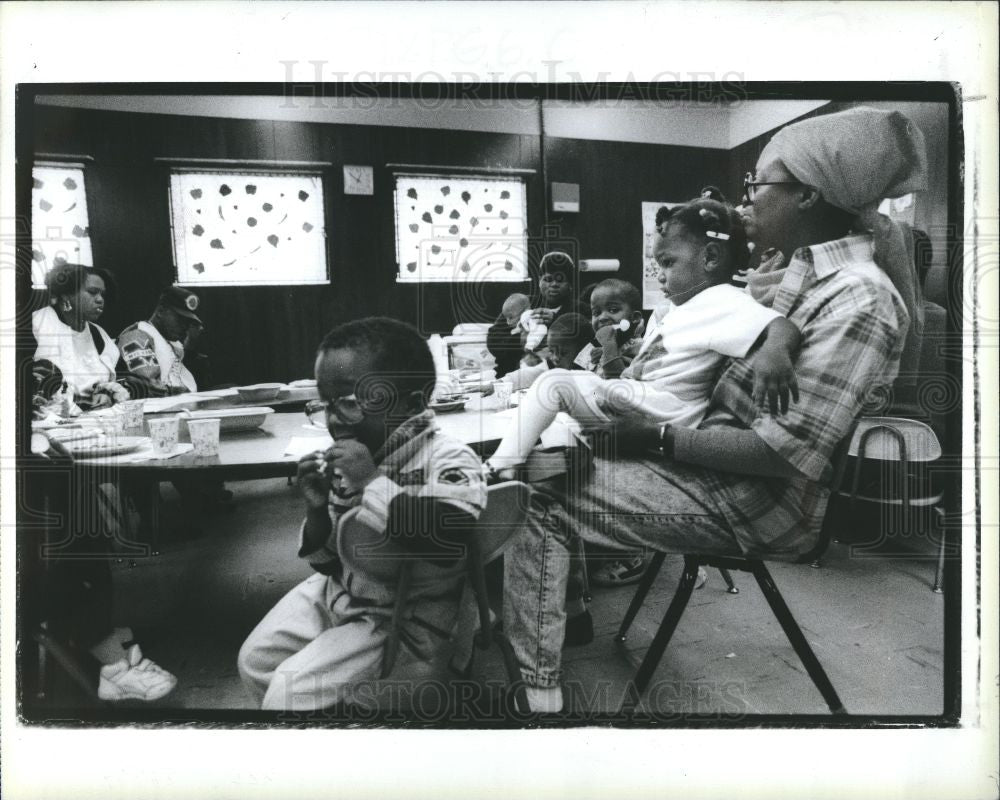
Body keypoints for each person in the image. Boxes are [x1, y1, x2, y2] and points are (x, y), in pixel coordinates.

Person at [504, 106, 925, 713]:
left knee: (532, 500)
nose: (746, 203)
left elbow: (780, 457)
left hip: (755, 501)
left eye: (758, 186)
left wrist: (647, 439)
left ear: (807, 196)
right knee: (554, 453)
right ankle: (567, 616)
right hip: (710, 463)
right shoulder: (798, 272)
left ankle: (535, 697)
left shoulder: (859, 299)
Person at [237, 317, 487, 711]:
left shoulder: (449, 458)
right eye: (325, 403)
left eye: (351, 403)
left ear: (413, 404)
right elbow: (327, 563)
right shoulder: (355, 458)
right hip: (341, 592)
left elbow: (446, 540)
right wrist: (317, 511)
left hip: (403, 615)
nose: (334, 419)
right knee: (255, 663)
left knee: (288, 693)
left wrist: (371, 482)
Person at [486, 193, 800, 478]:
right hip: (644, 399)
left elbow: (781, 324)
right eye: (656, 263)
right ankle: (548, 465)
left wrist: (775, 353)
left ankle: (498, 466)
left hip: (666, 410)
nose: (659, 274)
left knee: (554, 385)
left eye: (668, 262)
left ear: (710, 258)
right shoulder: (678, 309)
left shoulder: (725, 299)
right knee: (560, 400)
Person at [31, 262, 129, 410]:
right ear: (66, 296)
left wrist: (107, 393)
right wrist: (84, 402)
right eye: (92, 292)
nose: (100, 299)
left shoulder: (98, 334)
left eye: (102, 294)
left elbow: (121, 378)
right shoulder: (35, 325)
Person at [486, 251, 587, 377]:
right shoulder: (522, 303)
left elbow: (583, 346)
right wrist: (521, 339)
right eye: (548, 279)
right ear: (539, 281)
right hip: (511, 374)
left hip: (555, 377)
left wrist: (556, 321)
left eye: (560, 280)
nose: (554, 284)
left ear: (570, 285)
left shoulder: (580, 309)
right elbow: (493, 340)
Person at [117, 286, 203, 397]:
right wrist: (175, 392)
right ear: (161, 311)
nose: (185, 326)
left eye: (188, 322)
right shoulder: (137, 336)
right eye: (180, 319)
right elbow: (146, 384)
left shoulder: (171, 342)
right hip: (156, 410)